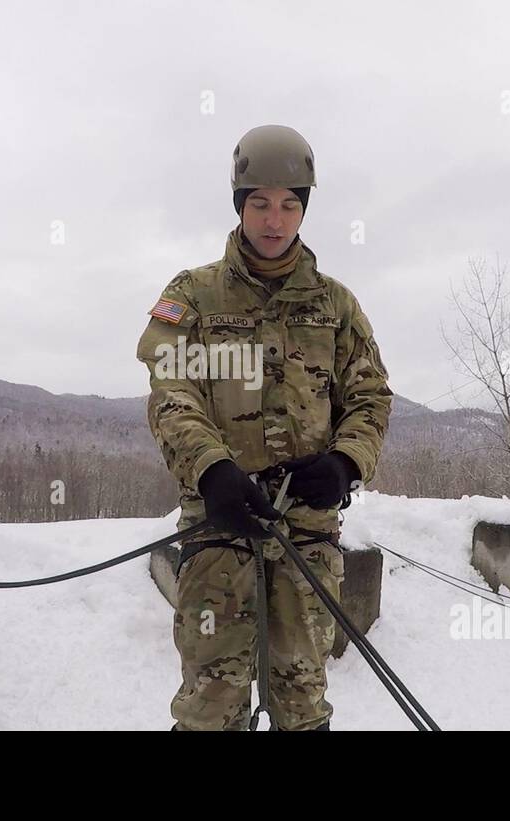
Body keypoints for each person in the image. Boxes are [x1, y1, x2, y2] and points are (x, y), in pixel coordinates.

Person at [136, 124, 392, 730]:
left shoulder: (336, 306)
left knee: (302, 701)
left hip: (305, 536)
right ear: (239, 204)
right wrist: (213, 470)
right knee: (211, 702)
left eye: (289, 205)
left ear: (304, 207)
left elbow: (371, 397)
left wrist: (345, 462)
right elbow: (171, 391)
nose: (274, 221)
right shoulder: (193, 295)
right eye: (260, 204)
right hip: (219, 527)